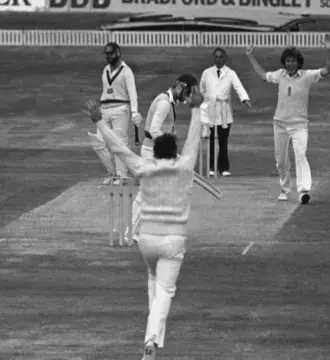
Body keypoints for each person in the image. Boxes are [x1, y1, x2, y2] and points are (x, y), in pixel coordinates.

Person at [84, 80, 204, 360]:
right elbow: (194, 141)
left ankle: (152, 349)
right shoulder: (184, 167)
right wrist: (198, 109)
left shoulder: (144, 166)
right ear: (173, 154)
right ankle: (150, 341)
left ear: (156, 153)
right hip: (173, 241)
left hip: (147, 240)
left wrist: (99, 122)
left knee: (154, 283)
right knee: (165, 292)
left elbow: (119, 149)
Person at [244, 36, 330, 204]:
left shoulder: (307, 76)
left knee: (301, 155)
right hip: (279, 124)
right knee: (281, 160)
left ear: (298, 62)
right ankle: (285, 189)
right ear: (284, 62)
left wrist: (328, 49)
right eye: (287, 61)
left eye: (293, 60)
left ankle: (303, 191)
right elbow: (263, 76)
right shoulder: (280, 75)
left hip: (300, 125)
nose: (290, 64)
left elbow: (328, 70)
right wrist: (250, 56)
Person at [129, 74, 201, 242]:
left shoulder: (168, 102)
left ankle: (141, 230)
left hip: (156, 151)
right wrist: (169, 150)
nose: (187, 97)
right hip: (152, 152)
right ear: (180, 86)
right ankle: (129, 232)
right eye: (188, 92)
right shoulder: (163, 103)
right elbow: (154, 130)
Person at [89, 42, 143, 185]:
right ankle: (112, 173)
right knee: (101, 142)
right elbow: (105, 90)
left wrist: (134, 112)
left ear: (118, 53)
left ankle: (122, 175)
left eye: (110, 53)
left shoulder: (126, 71)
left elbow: (132, 92)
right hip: (105, 109)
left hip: (121, 108)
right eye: (106, 54)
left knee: (119, 142)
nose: (108, 56)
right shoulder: (105, 70)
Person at [199, 47, 252, 177]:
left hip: (224, 111)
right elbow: (202, 88)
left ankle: (223, 168)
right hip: (210, 109)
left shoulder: (230, 73)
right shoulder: (207, 72)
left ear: (225, 58)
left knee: (223, 140)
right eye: (216, 57)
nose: (218, 59)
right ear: (214, 58)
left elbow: (238, 86)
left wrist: (245, 99)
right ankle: (211, 167)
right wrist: (208, 99)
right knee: (211, 139)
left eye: (221, 57)